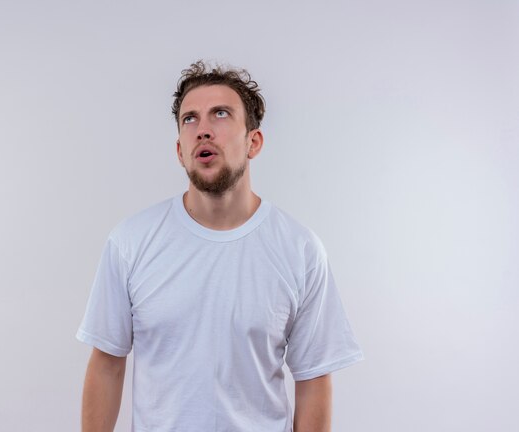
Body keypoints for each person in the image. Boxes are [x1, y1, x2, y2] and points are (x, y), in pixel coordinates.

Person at [76, 60, 363, 432]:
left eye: (221, 114)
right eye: (190, 119)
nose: (203, 130)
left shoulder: (300, 249)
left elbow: (313, 379)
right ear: (180, 150)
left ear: (253, 142)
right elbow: (107, 365)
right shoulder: (130, 242)